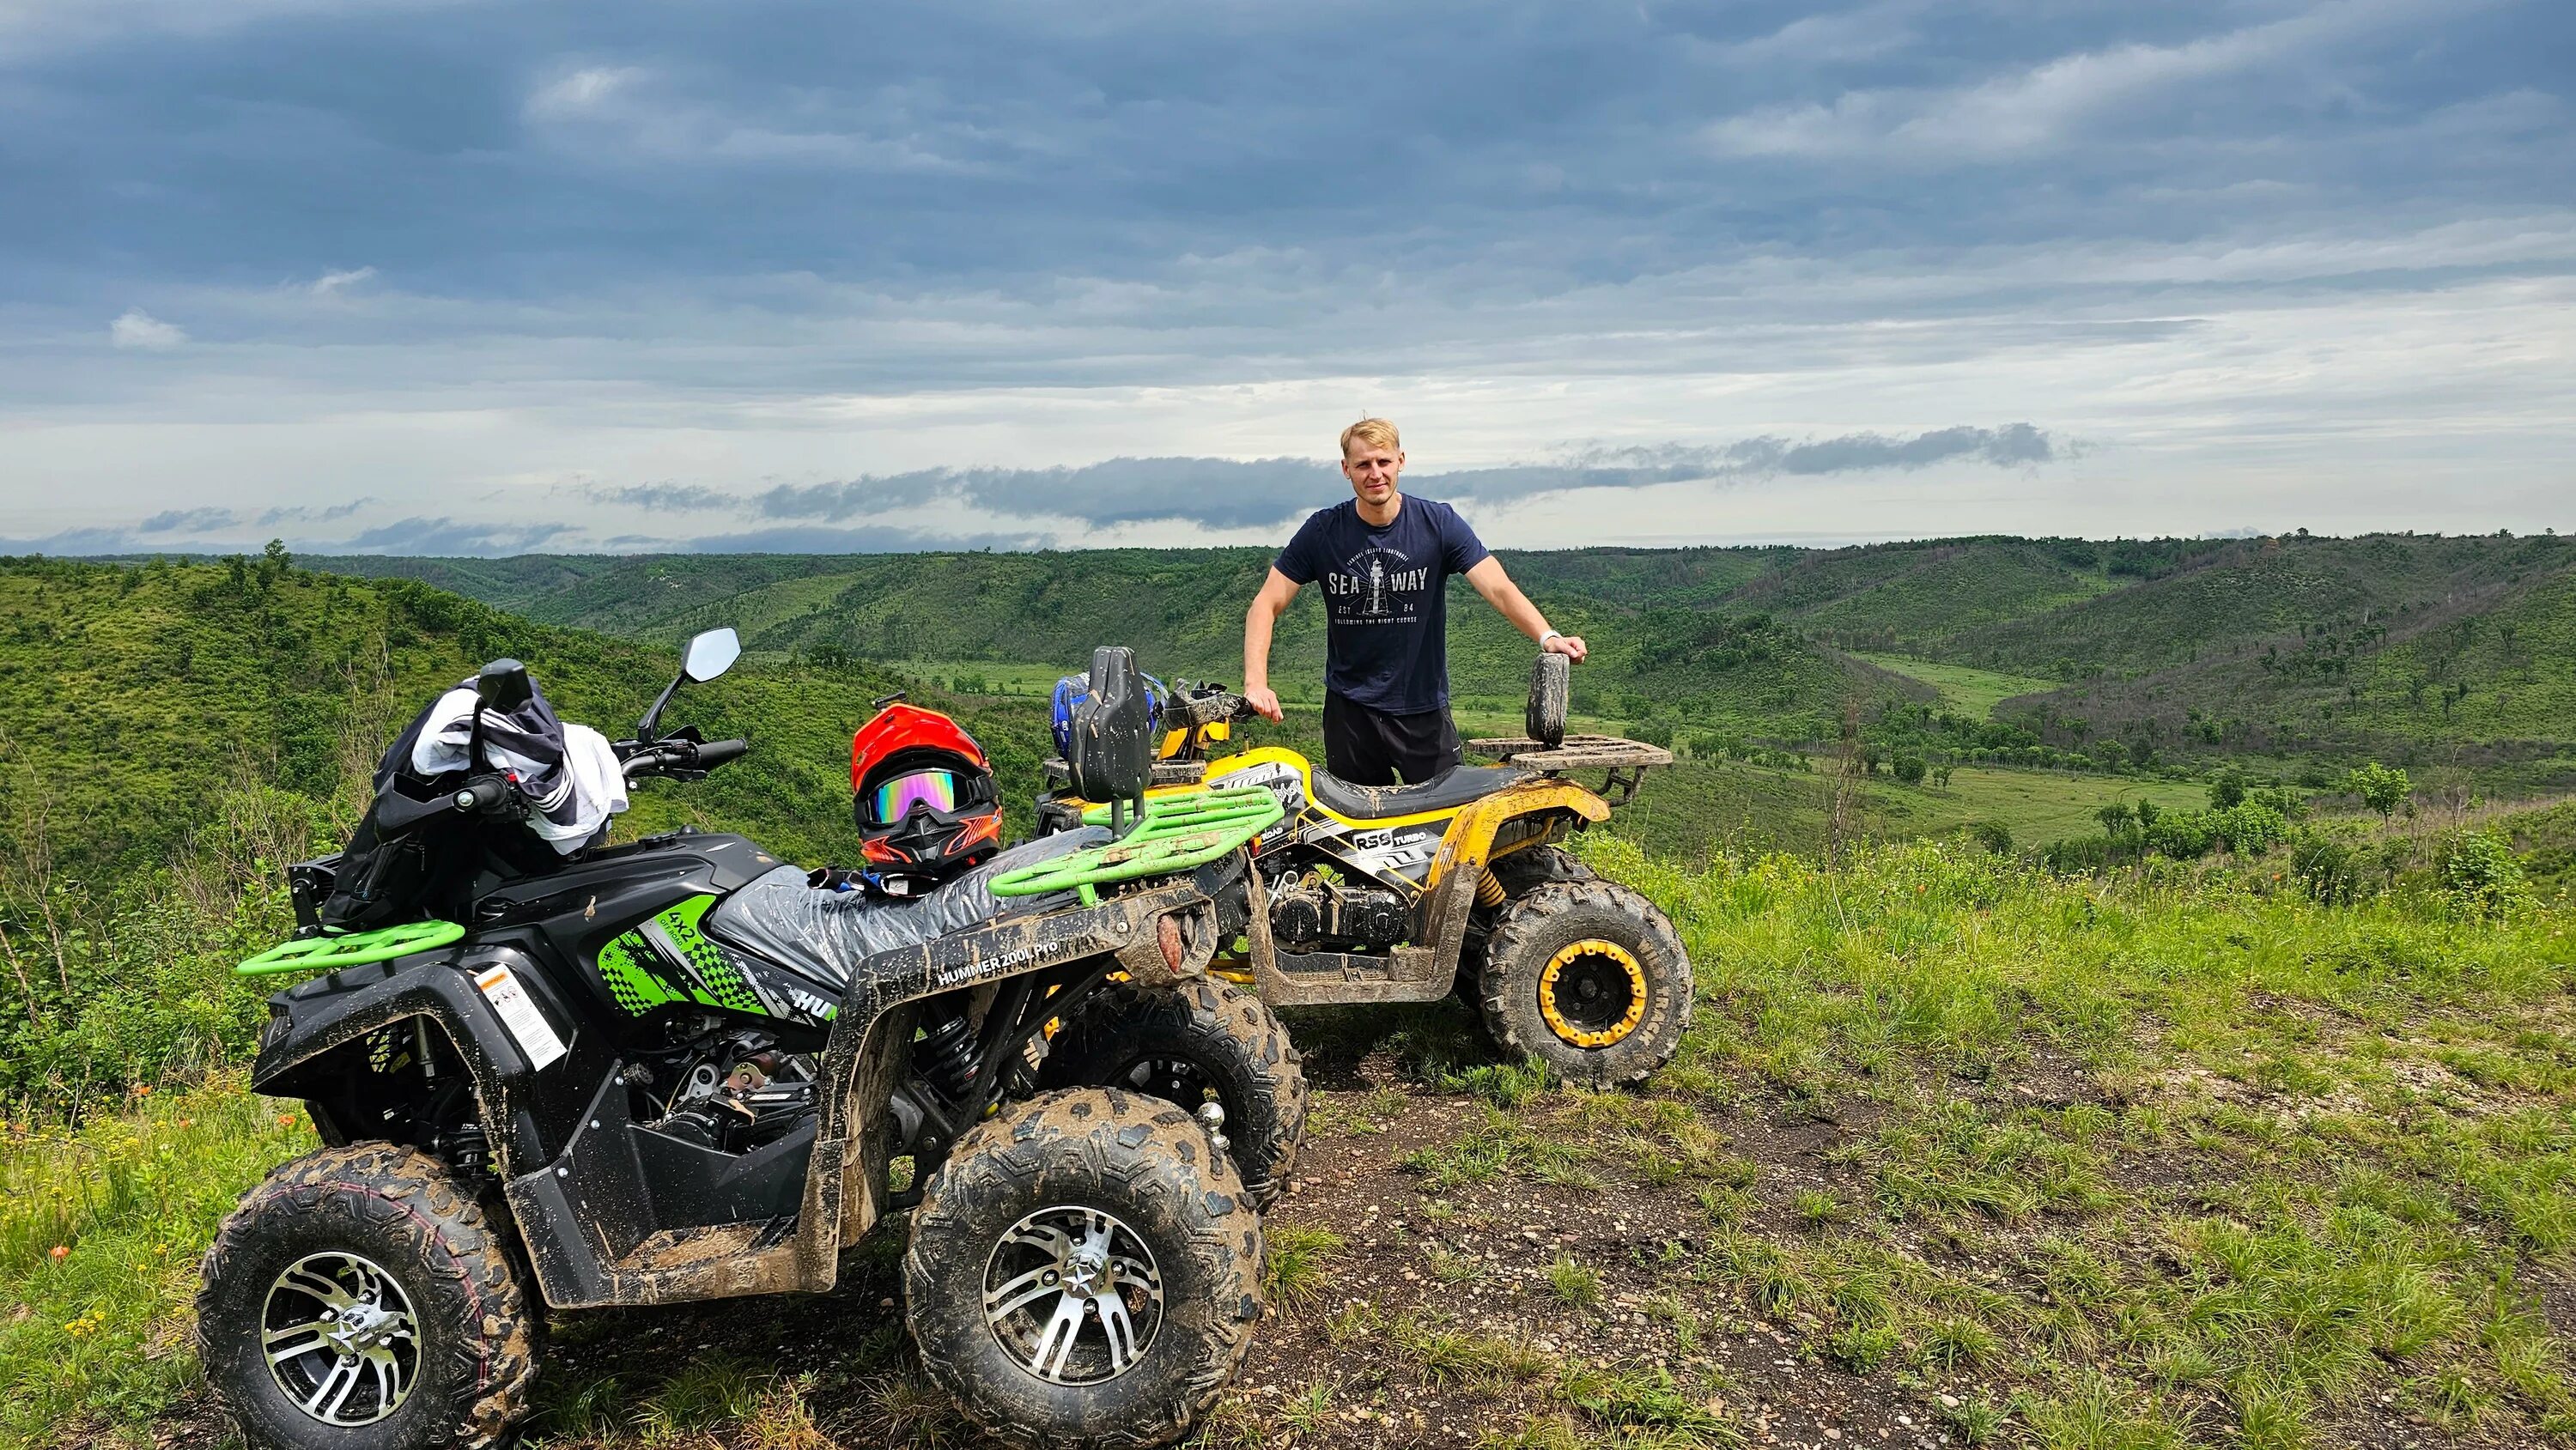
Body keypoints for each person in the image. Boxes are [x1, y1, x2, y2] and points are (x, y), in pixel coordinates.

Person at [1242, 417, 1587, 786]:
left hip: (1422, 710)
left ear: (1401, 461)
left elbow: (1498, 588)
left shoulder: (1437, 524)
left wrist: (1547, 635)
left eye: (1383, 462)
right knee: (1358, 835)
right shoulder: (1324, 532)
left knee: (1450, 825)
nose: (1375, 473)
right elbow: (1266, 603)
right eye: (1362, 465)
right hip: (1350, 714)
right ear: (1346, 470)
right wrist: (1256, 683)